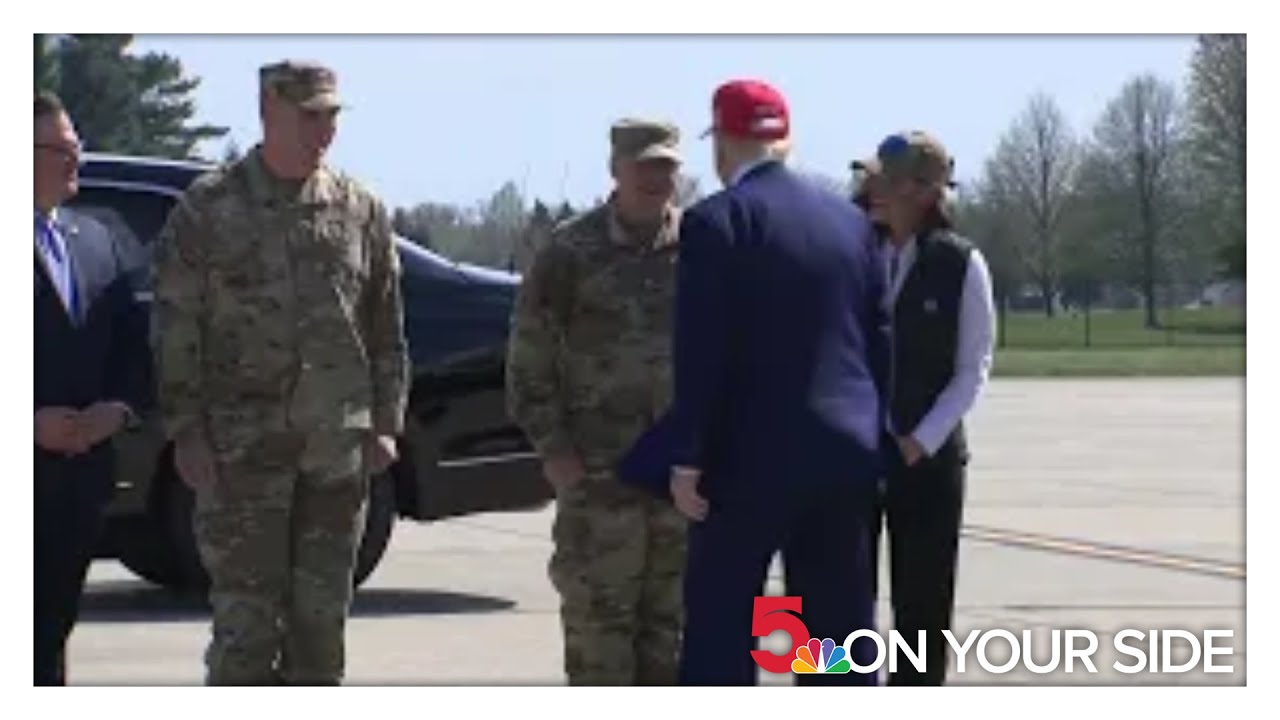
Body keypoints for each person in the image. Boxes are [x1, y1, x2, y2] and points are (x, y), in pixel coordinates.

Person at [151, 60, 410, 685]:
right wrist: (186, 428)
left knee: (320, 633)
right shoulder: (209, 208)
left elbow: (385, 324)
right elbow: (176, 323)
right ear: (269, 110)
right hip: (242, 456)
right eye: (309, 115)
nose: (323, 130)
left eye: (330, 117)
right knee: (247, 630)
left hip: (334, 454)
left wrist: (385, 422)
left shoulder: (360, 209)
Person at [665, 79, 889, 685]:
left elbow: (702, 348)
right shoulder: (851, 222)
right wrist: (877, 439)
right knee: (836, 627)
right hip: (842, 452)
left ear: (724, 143)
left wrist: (688, 456)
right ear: (783, 140)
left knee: (723, 621)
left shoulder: (717, 222)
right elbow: (877, 341)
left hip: (747, 460)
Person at [506, 119, 688, 685]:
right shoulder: (571, 252)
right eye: (644, 166)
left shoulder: (703, 248)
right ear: (616, 169)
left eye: (666, 167)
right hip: (597, 479)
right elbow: (528, 362)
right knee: (598, 641)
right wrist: (553, 448)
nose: (655, 179)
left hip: (678, 483)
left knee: (670, 639)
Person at [34, 91, 152, 685]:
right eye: (59, 150)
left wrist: (119, 408)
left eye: (76, 148)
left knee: (49, 640)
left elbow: (135, 342)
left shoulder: (98, 236)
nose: (74, 162)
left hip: (78, 487)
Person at [872, 131, 995, 685]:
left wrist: (920, 439)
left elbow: (973, 369)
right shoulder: (853, 250)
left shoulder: (961, 264)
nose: (875, 189)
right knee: (829, 601)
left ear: (925, 191)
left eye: (889, 180)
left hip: (928, 459)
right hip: (853, 454)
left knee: (922, 611)